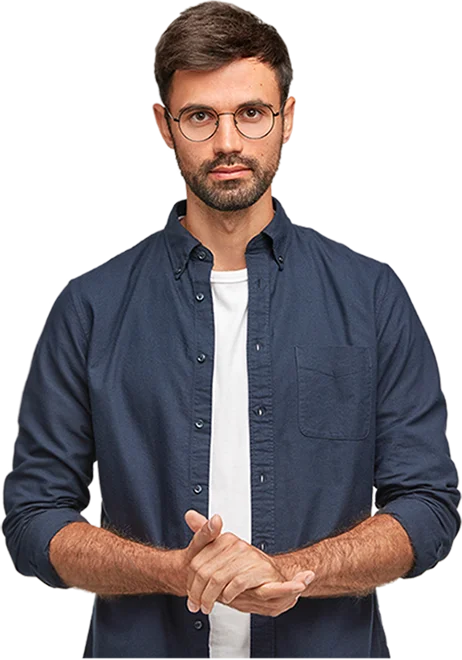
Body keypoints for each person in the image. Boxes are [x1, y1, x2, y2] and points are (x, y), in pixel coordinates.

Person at [2, 1, 460, 658]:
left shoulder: (371, 299)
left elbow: (429, 507)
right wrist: (174, 571)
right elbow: (32, 520)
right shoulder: (90, 309)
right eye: (199, 116)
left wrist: (289, 571)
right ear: (163, 125)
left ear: (287, 117)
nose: (227, 142)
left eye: (251, 113)